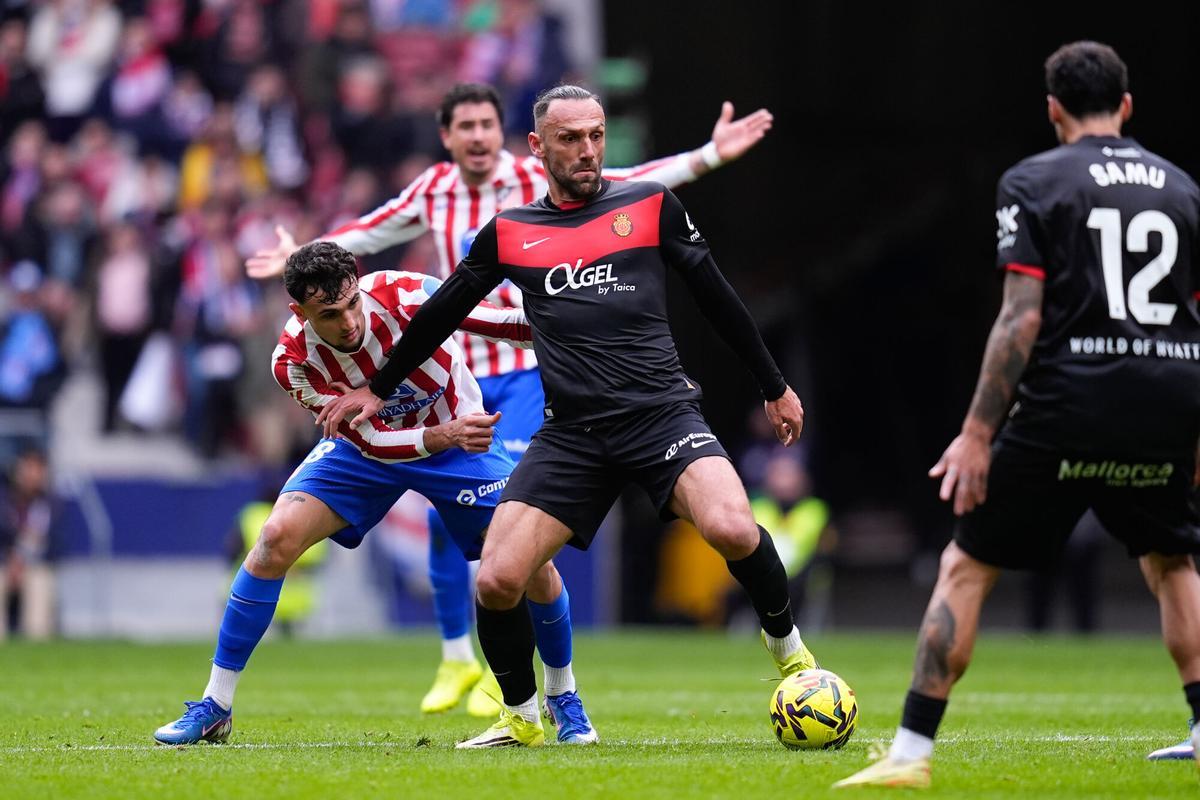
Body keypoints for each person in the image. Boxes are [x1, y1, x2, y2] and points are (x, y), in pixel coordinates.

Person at [246, 81, 775, 717]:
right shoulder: (430, 193)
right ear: (447, 136)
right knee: (458, 525)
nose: (475, 136)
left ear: (505, 134)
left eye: (484, 124)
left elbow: (635, 180)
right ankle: (458, 660)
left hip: (528, 366)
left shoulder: (545, 171)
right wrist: (298, 258)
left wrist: (709, 156)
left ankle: (539, 685)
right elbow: (360, 238)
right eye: (463, 125)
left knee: (503, 532)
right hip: (453, 362)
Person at [834, 41, 1200, 788]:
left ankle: (909, 754)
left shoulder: (1032, 181)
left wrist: (976, 433)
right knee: (1172, 559)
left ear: (1053, 109)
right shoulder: (1183, 187)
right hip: (1170, 393)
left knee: (966, 565)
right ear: (1126, 105)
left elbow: (1020, 319)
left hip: (1071, 397)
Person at [154, 241, 597, 745]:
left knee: (531, 563)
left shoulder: (406, 295)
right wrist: (437, 437)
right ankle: (216, 705)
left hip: (459, 443)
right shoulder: (293, 362)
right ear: (299, 312)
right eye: (328, 314)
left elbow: (507, 325)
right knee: (275, 538)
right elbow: (366, 438)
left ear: (358, 284)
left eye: (351, 304)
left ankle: (563, 697)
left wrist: (587, 327)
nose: (348, 323)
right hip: (372, 452)